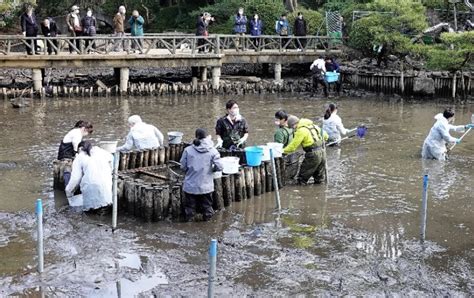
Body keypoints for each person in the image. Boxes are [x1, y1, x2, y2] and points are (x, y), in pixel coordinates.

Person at [180, 128, 223, 221]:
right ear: (207, 137)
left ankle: (189, 224)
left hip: (190, 185)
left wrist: (189, 171)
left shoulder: (188, 150)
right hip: (206, 186)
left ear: (196, 137)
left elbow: (182, 166)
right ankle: (208, 225)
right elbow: (220, 167)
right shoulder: (213, 151)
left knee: (190, 208)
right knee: (207, 207)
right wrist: (212, 170)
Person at [65, 141, 113, 211]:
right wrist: (110, 170)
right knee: (104, 209)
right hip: (107, 189)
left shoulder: (79, 157)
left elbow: (75, 179)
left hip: (91, 190)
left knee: (91, 213)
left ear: (80, 148)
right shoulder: (101, 151)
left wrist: (68, 191)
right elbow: (112, 158)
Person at [283, 115, 328, 184]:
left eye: (292, 127)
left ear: (294, 124)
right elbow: (326, 136)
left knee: (301, 178)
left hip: (313, 156)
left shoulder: (301, 131)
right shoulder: (314, 126)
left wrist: (281, 151)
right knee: (319, 179)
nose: (293, 129)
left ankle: (301, 193)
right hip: (322, 153)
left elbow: (292, 147)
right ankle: (320, 193)